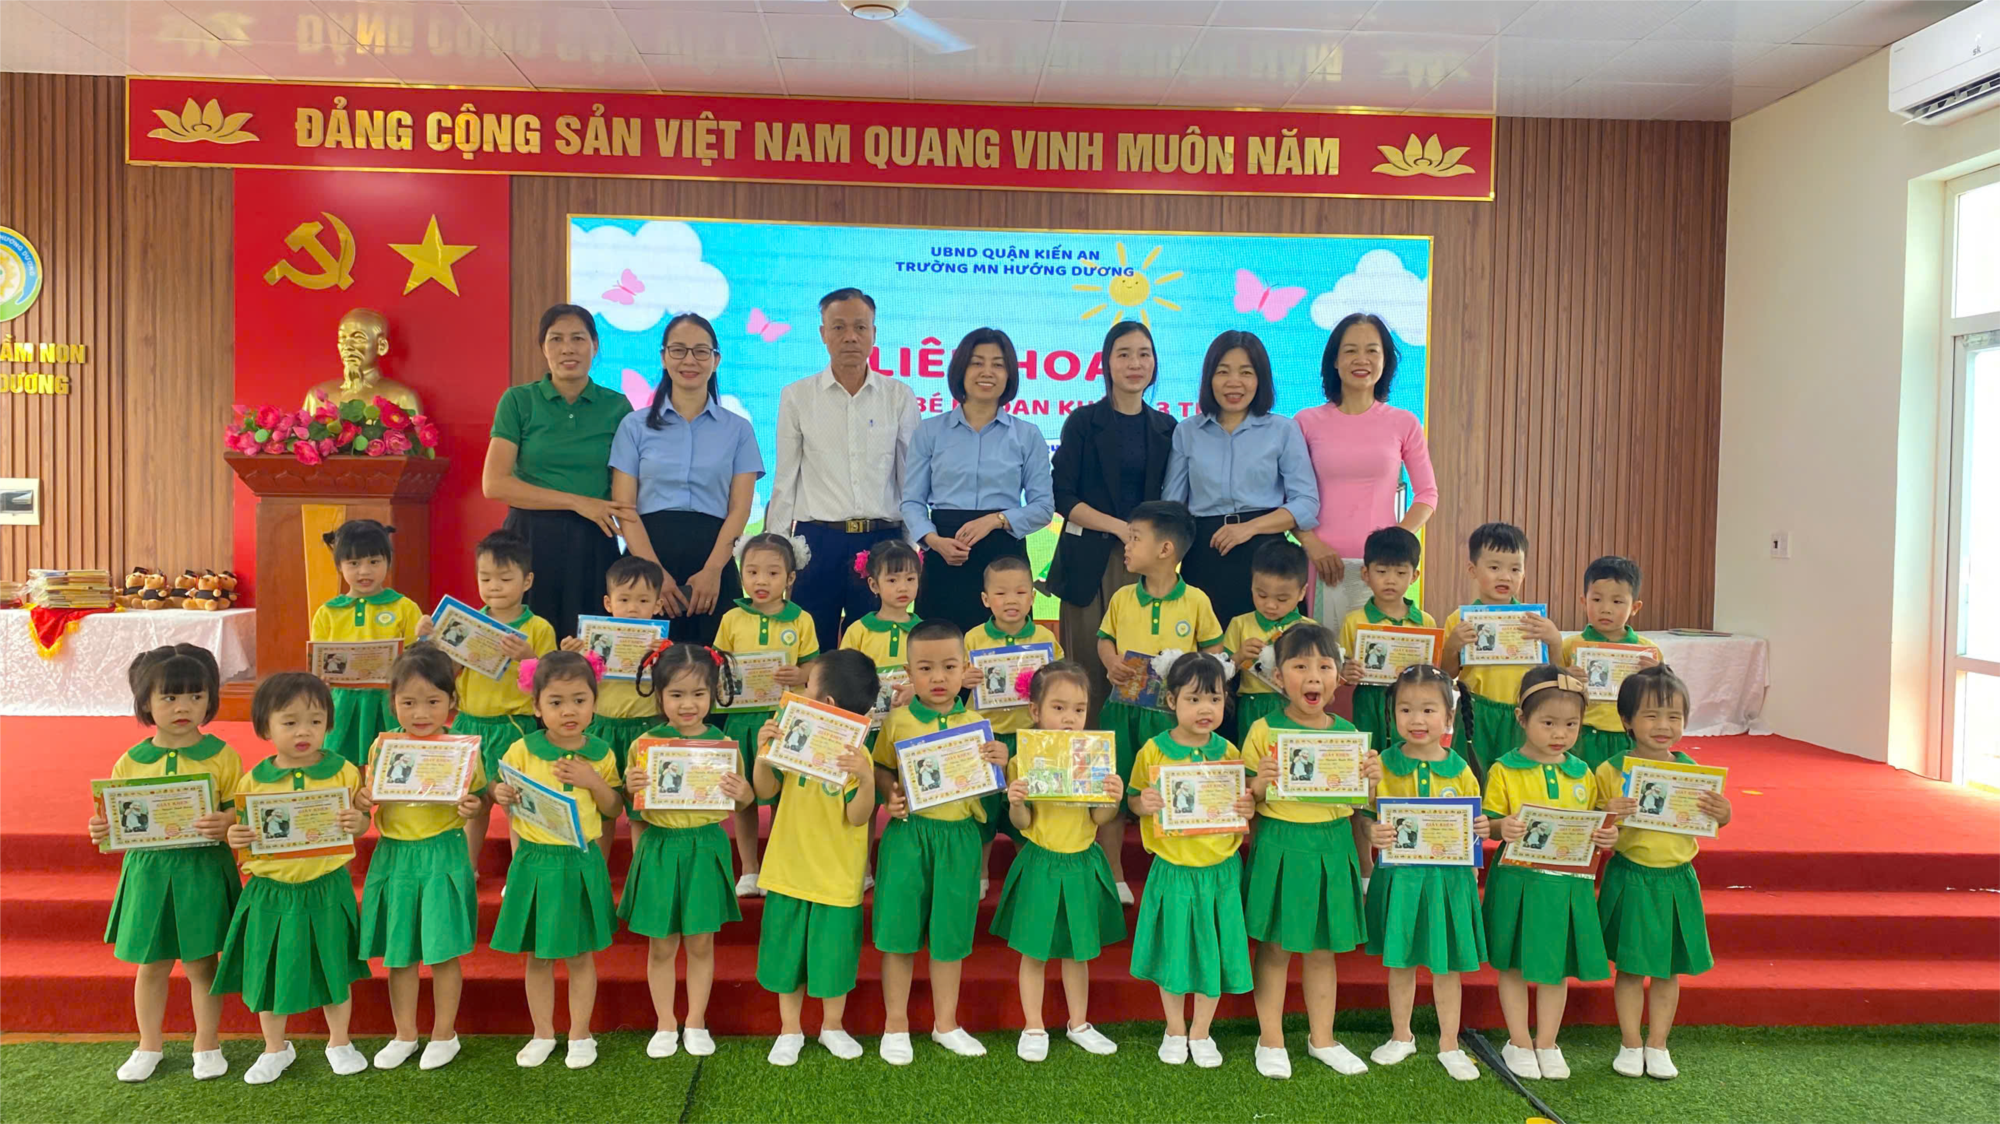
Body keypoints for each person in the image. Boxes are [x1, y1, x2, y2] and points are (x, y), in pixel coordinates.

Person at [89, 645, 241, 1083]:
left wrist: (227, 821)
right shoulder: (130, 761)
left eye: (195, 696)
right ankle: (148, 1044)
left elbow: (240, 809)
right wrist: (101, 828)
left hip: (202, 871)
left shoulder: (223, 755)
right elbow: (113, 817)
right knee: (151, 963)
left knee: (201, 964)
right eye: (169, 698)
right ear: (146, 703)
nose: (183, 707)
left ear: (210, 700)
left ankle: (207, 1044)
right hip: (149, 874)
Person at [213, 673, 372, 1085]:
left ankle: (340, 1041)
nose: (304, 731)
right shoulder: (253, 781)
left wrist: (358, 822)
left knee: (335, 966)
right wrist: (235, 836)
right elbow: (242, 834)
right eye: (290, 722)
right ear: (265, 727)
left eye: (315, 721)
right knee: (268, 971)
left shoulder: (344, 772)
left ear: (329, 724)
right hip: (270, 891)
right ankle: (275, 1048)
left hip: (327, 885)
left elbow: (361, 822)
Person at [1240, 624, 1377, 1079]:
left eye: (1324, 666)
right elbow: (1245, 798)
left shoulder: (1349, 733)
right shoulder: (1263, 729)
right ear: (1279, 677)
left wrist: (1372, 782)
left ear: (1339, 676)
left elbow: (1361, 804)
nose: (1313, 676)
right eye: (1300, 666)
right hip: (1280, 843)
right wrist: (1259, 782)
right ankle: (1270, 1038)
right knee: (1276, 947)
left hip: (1332, 845)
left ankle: (1323, 1039)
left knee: (1322, 949)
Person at [871, 620, 1010, 1064]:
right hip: (908, 837)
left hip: (959, 838)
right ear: (908, 673)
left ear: (965, 669)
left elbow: (992, 783)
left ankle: (945, 1023)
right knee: (898, 933)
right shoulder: (897, 721)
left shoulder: (978, 724)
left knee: (950, 935)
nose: (938, 678)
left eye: (949, 667)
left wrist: (1003, 761)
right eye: (925, 668)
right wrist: (890, 793)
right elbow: (881, 767)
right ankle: (895, 1024)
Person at [1481, 666, 1621, 1082]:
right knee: (1512, 963)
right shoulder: (1504, 769)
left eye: (1571, 724)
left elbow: (1593, 828)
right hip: (1517, 881)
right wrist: (1500, 827)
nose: (1560, 733)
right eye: (1548, 723)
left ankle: (1547, 1041)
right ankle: (1518, 1041)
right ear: (1522, 719)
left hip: (1565, 884)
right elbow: (1488, 824)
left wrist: (1606, 836)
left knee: (1555, 966)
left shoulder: (1583, 773)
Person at [490, 650, 623, 1070]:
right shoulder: (522, 749)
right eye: (556, 702)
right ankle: (543, 1032)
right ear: (536, 706)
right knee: (539, 955)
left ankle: (580, 1033)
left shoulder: (600, 753)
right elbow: (504, 794)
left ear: (594, 702)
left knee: (581, 954)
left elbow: (614, 808)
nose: (569, 711)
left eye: (580, 700)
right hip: (534, 861)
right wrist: (501, 794)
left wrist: (592, 781)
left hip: (580, 861)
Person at [620, 642, 753, 1060]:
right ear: (659, 695)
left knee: (700, 943)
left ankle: (695, 1021)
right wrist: (630, 788)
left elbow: (744, 802)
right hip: (660, 848)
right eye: (676, 694)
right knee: (661, 945)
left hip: (705, 846)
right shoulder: (644, 743)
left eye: (698, 693)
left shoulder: (723, 743)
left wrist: (744, 792)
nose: (688, 704)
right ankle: (665, 1022)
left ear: (714, 692)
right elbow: (633, 810)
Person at [357, 645, 488, 1072]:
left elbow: (477, 799)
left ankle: (444, 1034)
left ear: (451, 702)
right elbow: (370, 800)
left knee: (443, 951)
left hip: (442, 853)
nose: (420, 712)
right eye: (408, 702)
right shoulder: (382, 748)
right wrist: (363, 799)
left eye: (433, 701)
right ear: (392, 701)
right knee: (400, 953)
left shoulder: (462, 750)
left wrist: (472, 806)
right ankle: (405, 1034)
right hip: (394, 855)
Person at [1597, 666, 1731, 1081]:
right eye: (1651, 715)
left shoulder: (1693, 772)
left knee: (1668, 969)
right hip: (1630, 875)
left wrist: (1723, 813)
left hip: (1676, 878)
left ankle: (1657, 1044)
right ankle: (1629, 1043)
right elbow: (1595, 831)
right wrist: (1607, 814)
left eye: (1674, 716)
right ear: (1626, 720)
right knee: (1630, 968)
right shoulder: (1609, 770)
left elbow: (1712, 819)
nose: (1663, 726)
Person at [1126, 652, 1257, 1068]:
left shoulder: (1228, 750)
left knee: (1211, 951)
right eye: (1194, 699)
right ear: (1172, 701)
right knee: (1174, 952)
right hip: (1174, 870)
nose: (1206, 709)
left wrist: (1247, 806)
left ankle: (1201, 1031)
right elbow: (1134, 799)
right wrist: (1143, 803)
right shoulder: (1153, 751)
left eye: (1215, 699)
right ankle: (1174, 1028)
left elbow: (1242, 802)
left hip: (1219, 871)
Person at [766, 288, 919, 647]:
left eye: (860, 327)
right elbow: (785, 478)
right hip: (818, 542)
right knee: (812, 649)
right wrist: (776, 553)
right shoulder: (797, 396)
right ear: (823, 333)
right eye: (838, 327)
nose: (850, 336)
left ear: (873, 333)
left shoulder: (899, 396)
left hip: (881, 541)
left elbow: (910, 479)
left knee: (877, 651)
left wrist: (911, 548)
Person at [751, 649, 881, 1066]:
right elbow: (765, 791)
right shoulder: (793, 732)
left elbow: (857, 817)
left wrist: (866, 780)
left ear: (826, 702)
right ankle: (790, 1029)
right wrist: (763, 753)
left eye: (807, 686)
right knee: (786, 953)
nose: (800, 691)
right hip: (789, 868)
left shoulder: (858, 755)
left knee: (834, 956)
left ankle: (832, 1026)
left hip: (837, 877)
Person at [992, 661, 1126, 1062]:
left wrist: (1112, 798)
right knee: (1034, 951)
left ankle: (1078, 1023)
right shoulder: (1023, 760)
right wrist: (1016, 801)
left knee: (1078, 951)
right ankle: (1033, 1025)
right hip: (1041, 863)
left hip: (1082, 861)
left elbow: (1099, 818)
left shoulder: (1095, 757)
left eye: (1079, 709)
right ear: (1035, 711)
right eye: (1059, 708)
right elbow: (1022, 823)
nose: (1070, 718)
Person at [1095, 500, 1224, 901]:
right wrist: (1112, 662)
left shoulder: (1196, 600)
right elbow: (1104, 640)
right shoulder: (1121, 597)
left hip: (1171, 717)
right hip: (1121, 710)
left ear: (1165, 549)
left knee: (1167, 790)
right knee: (1115, 789)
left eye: (1135, 538)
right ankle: (1114, 873)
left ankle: (1168, 866)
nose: (1127, 546)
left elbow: (1214, 651)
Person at [1047, 320, 1177, 718]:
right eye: (1124, 354)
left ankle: (1140, 752)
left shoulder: (1167, 428)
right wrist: (1121, 528)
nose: (1135, 364)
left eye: (1144, 354)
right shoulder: (1083, 422)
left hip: (1145, 565)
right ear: (1106, 363)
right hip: (1088, 563)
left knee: (1142, 676)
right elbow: (1063, 495)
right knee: (1087, 671)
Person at [1363, 663, 1487, 1081]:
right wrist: (1372, 831)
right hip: (1400, 879)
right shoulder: (1382, 764)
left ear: (1448, 717)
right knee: (1400, 962)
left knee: (1446, 965)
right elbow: (1365, 814)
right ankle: (1402, 1035)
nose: (1416, 720)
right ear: (1393, 714)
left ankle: (1450, 1043)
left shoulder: (1461, 770)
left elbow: (1474, 826)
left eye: (1428, 710)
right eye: (1406, 710)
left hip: (1448, 882)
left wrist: (1479, 834)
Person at [484, 304, 636, 639]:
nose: (568, 348)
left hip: (593, 541)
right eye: (556, 339)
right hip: (529, 538)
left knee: (589, 647)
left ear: (595, 346)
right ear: (543, 347)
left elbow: (627, 487)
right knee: (527, 644)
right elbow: (494, 484)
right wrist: (577, 502)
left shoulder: (617, 406)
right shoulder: (518, 401)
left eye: (578, 338)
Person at [611, 313, 764, 647]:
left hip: (714, 559)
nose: (689, 360)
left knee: (713, 664)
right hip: (645, 561)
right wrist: (653, 574)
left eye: (701, 351)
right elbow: (624, 508)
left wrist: (712, 572)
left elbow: (740, 509)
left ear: (716, 360)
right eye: (678, 350)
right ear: (664, 357)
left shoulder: (738, 429)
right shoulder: (634, 426)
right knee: (640, 665)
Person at [903, 327, 1055, 633]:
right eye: (977, 362)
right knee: (939, 649)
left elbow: (1043, 507)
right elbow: (912, 502)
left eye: (998, 364)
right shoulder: (930, 432)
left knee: (1003, 653)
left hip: (1003, 554)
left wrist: (996, 520)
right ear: (960, 370)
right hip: (944, 551)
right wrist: (933, 541)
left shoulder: (1027, 435)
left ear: (1009, 375)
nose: (987, 372)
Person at [1163, 330, 1319, 626]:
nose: (1234, 382)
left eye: (1246, 372)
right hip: (1204, 553)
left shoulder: (1283, 430)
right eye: (1223, 372)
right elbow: (1172, 506)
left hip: (1266, 558)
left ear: (1260, 379)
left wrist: (1249, 528)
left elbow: (1306, 503)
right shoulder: (1187, 431)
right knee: (1206, 647)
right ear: (1209, 378)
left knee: (1271, 648)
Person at [1295, 312, 1438, 627]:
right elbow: (1288, 498)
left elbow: (1427, 494)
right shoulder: (1305, 422)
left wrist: (1394, 545)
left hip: (1382, 570)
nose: (1362, 359)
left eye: (1372, 350)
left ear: (1385, 360)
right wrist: (1311, 543)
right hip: (1322, 563)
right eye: (1350, 350)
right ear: (1335, 360)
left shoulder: (1404, 422)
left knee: (1377, 652)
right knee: (1323, 654)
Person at [439, 530, 557, 870]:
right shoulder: (465, 623)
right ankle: (467, 870)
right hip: (469, 724)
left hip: (513, 727)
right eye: (485, 578)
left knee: (515, 802)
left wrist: (528, 657)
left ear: (527, 581)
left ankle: (520, 874)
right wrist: (449, 653)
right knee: (473, 804)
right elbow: (445, 676)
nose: (494, 586)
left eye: (505, 579)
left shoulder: (539, 628)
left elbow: (551, 683)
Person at [714, 532, 819, 895]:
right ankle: (749, 869)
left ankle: (776, 868)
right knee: (743, 796)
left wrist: (800, 675)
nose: (761, 581)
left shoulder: (801, 620)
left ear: (790, 578)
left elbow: (813, 666)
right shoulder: (731, 618)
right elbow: (718, 665)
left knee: (783, 798)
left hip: (785, 722)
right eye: (752, 571)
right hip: (741, 720)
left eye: (773, 573)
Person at [966, 554, 1064, 887]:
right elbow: (952, 680)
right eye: (1001, 593)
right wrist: (963, 678)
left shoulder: (1045, 639)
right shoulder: (973, 639)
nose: (1011, 600)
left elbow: (1061, 680)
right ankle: (980, 873)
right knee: (984, 810)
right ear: (985, 599)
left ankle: (1027, 874)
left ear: (1033, 597)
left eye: (1021, 592)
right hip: (985, 738)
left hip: (1029, 738)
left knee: (1026, 804)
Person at [1440, 523, 1564, 769]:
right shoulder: (1459, 620)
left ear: (1523, 574)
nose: (1505, 576)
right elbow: (1448, 674)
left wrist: (1555, 640)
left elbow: (1557, 673)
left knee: (1517, 774)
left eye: (1515, 569)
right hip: (1475, 711)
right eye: (1494, 567)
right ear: (1473, 570)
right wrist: (1452, 646)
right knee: (1471, 773)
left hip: (1522, 713)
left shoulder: (1534, 621)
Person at [310, 519, 422, 767]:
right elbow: (319, 663)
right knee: (342, 766)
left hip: (390, 702)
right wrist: (321, 680)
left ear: (388, 562)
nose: (364, 571)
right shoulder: (327, 612)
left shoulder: (404, 607)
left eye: (374, 561)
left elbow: (418, 658)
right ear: (339, 565)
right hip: (344, 704)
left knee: (392, 764)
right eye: (354, 563)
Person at [568, 555, 673, 783]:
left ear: (657, 605)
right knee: (602, 789)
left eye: (643, 601)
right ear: (608, 603)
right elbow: (575, 684)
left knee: (642, 788)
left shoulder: (664, 647)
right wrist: (571, 656)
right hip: (602, 725)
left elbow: (676, 684)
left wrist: (667, 659)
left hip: (648, 724)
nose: (632, 608)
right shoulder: (590, 640)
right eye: (623, 599)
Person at [1337, 526, 1439, 757]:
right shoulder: (1354, 621)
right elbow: (1340, 673)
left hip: (1413, 704)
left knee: (1410, 755)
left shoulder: (1425, 621)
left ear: (1414, 576)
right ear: (1366, 574)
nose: (1390, 580)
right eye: (1382, 571)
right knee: (1369, 757)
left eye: (1401, 573)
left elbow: (1433, 673)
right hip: (1368, 702)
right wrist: (1346, 672)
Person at [1558, 556, 1664, 768]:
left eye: (1617, 602)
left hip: (1629, 736)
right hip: (1582, 735)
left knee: (1621, 786)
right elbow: (1553, 692)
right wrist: (1565, 677)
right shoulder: (1570, 646)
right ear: (1583, 601)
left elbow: (1663, 697)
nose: (1606, 609)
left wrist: (1658, 676)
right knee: (1581, 784)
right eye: (1597, 600)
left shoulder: (1648, 652)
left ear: (1635, 607)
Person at [1221, 539, 1314, 738]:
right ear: (1252, 586)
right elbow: (1221, 673)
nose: (1270, 605)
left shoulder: (1310, 630)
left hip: (1296, 705)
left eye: (1282, 599)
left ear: (1301, 593)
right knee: (1253, 753)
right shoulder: (1240, 624)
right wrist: (1239, 656)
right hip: (1252, 705)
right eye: (1262, 595)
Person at [840, 539, 923, 725]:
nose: (903, 587)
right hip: (868, 724)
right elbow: (844, 676)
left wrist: (917, 690)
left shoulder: (925, 633)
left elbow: (935, 675)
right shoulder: (858, 631)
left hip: (913, 724)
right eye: (892, 580)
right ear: (874, 585)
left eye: (910, 579)